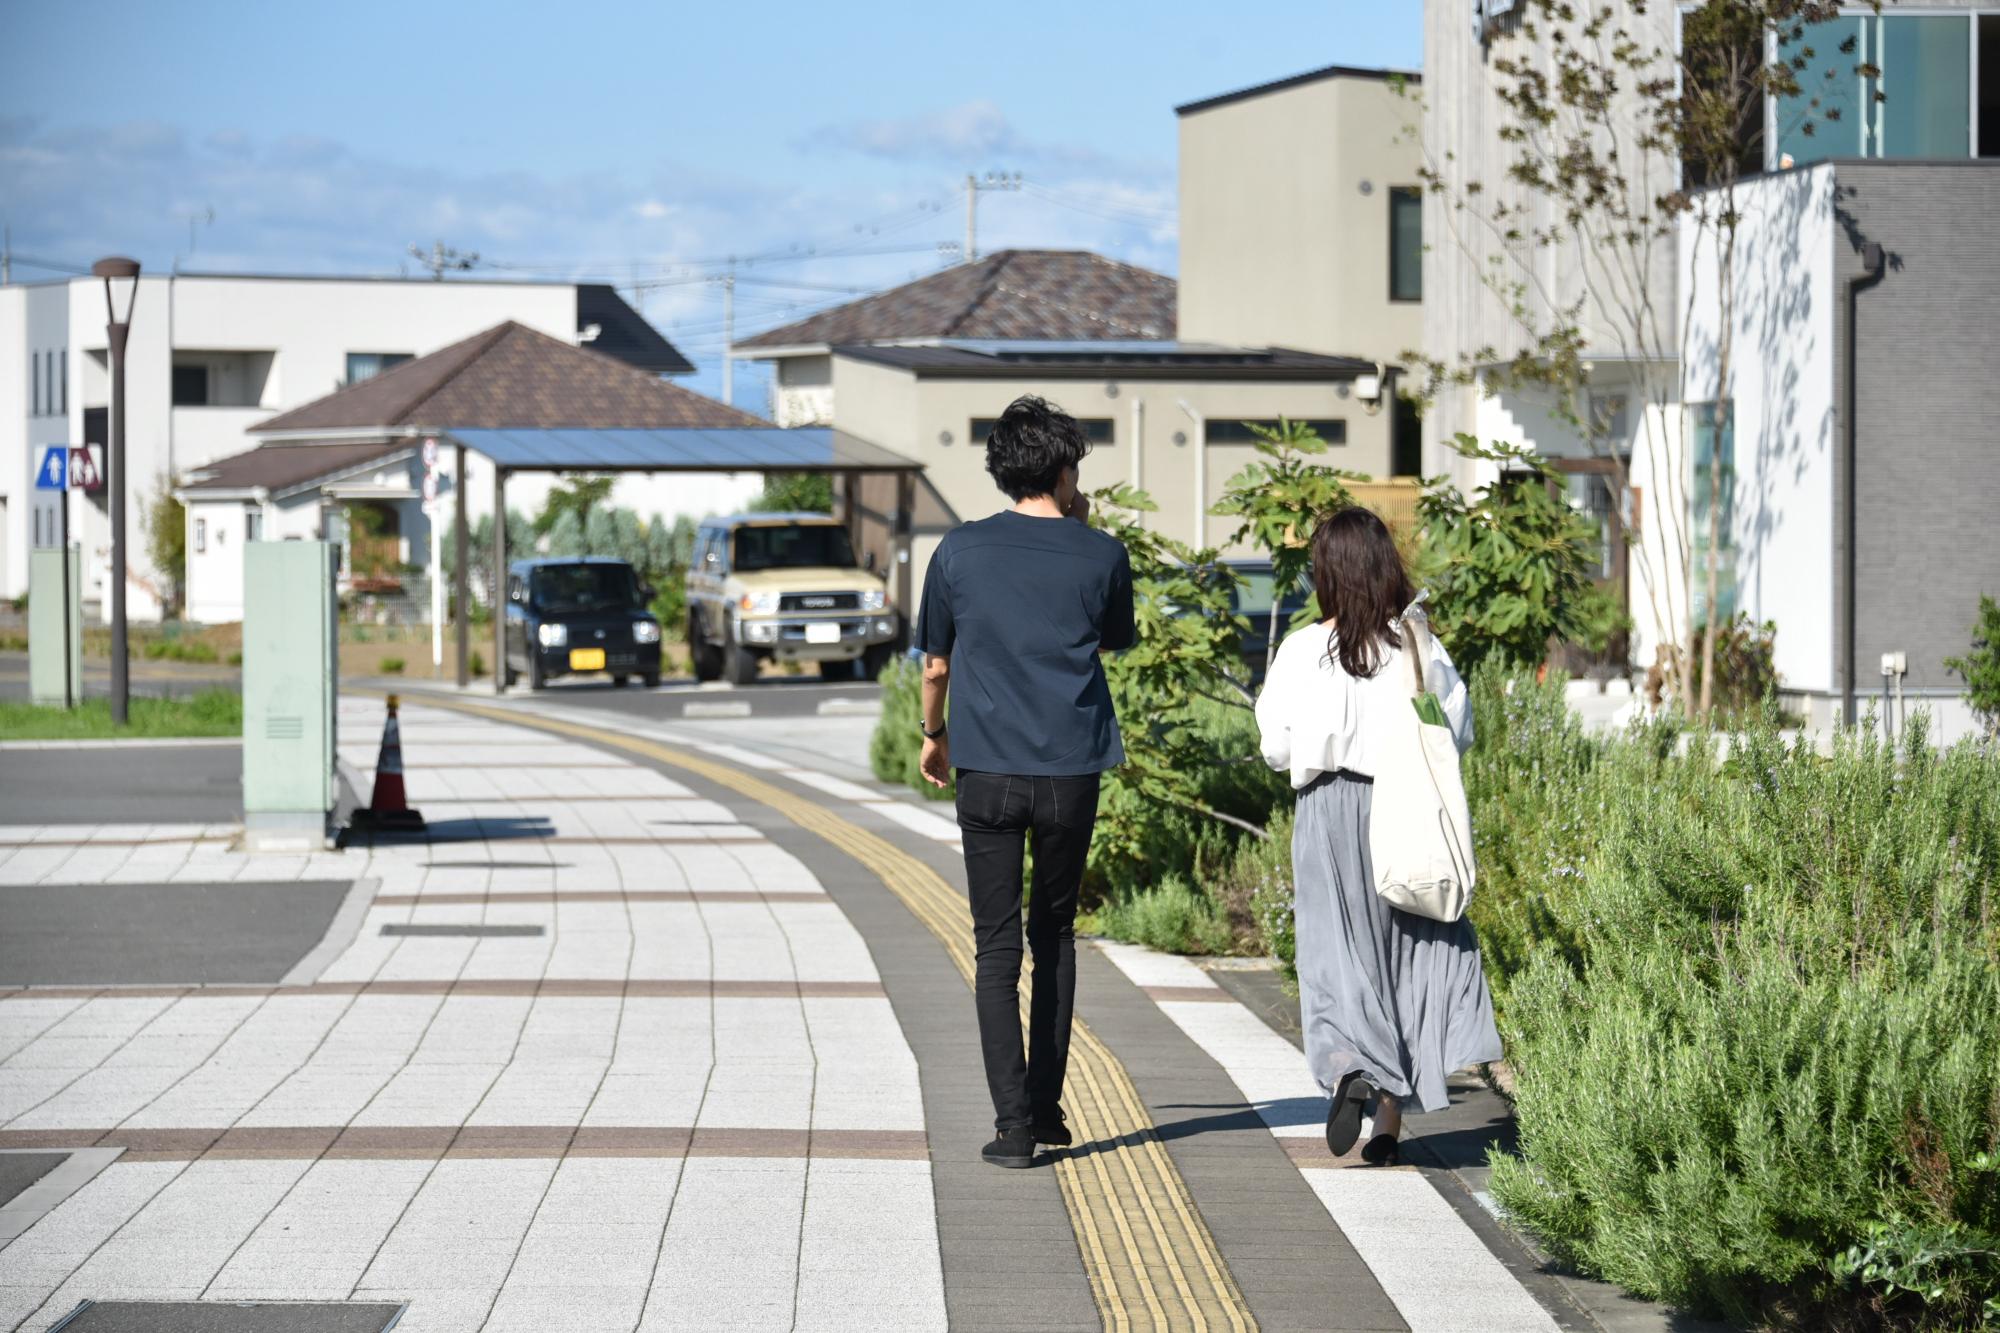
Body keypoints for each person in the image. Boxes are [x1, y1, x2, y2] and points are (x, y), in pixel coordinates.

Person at [915, 395, 1136, 1169]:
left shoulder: (958, 552)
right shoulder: (1102, 553)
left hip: (986, 771)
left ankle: (1013, 1129)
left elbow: (935, 664)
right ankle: (1047, 1105)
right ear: (1066, 467)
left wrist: (932, 735)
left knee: (996, 949)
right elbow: (1110, 639)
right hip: (1071, 770)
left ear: (1004, 467)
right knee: (1056, 935)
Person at [1253, 507, 1502, 1165]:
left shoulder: (1303, 650)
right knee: (1407, 954)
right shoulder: (1417, 645)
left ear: (1326, 575)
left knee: (1335, 956)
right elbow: (1459, 730)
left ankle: (1350, 1066)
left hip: (1326, 811)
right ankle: (1388, 1117)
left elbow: (1276, 748)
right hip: (1405, 805)